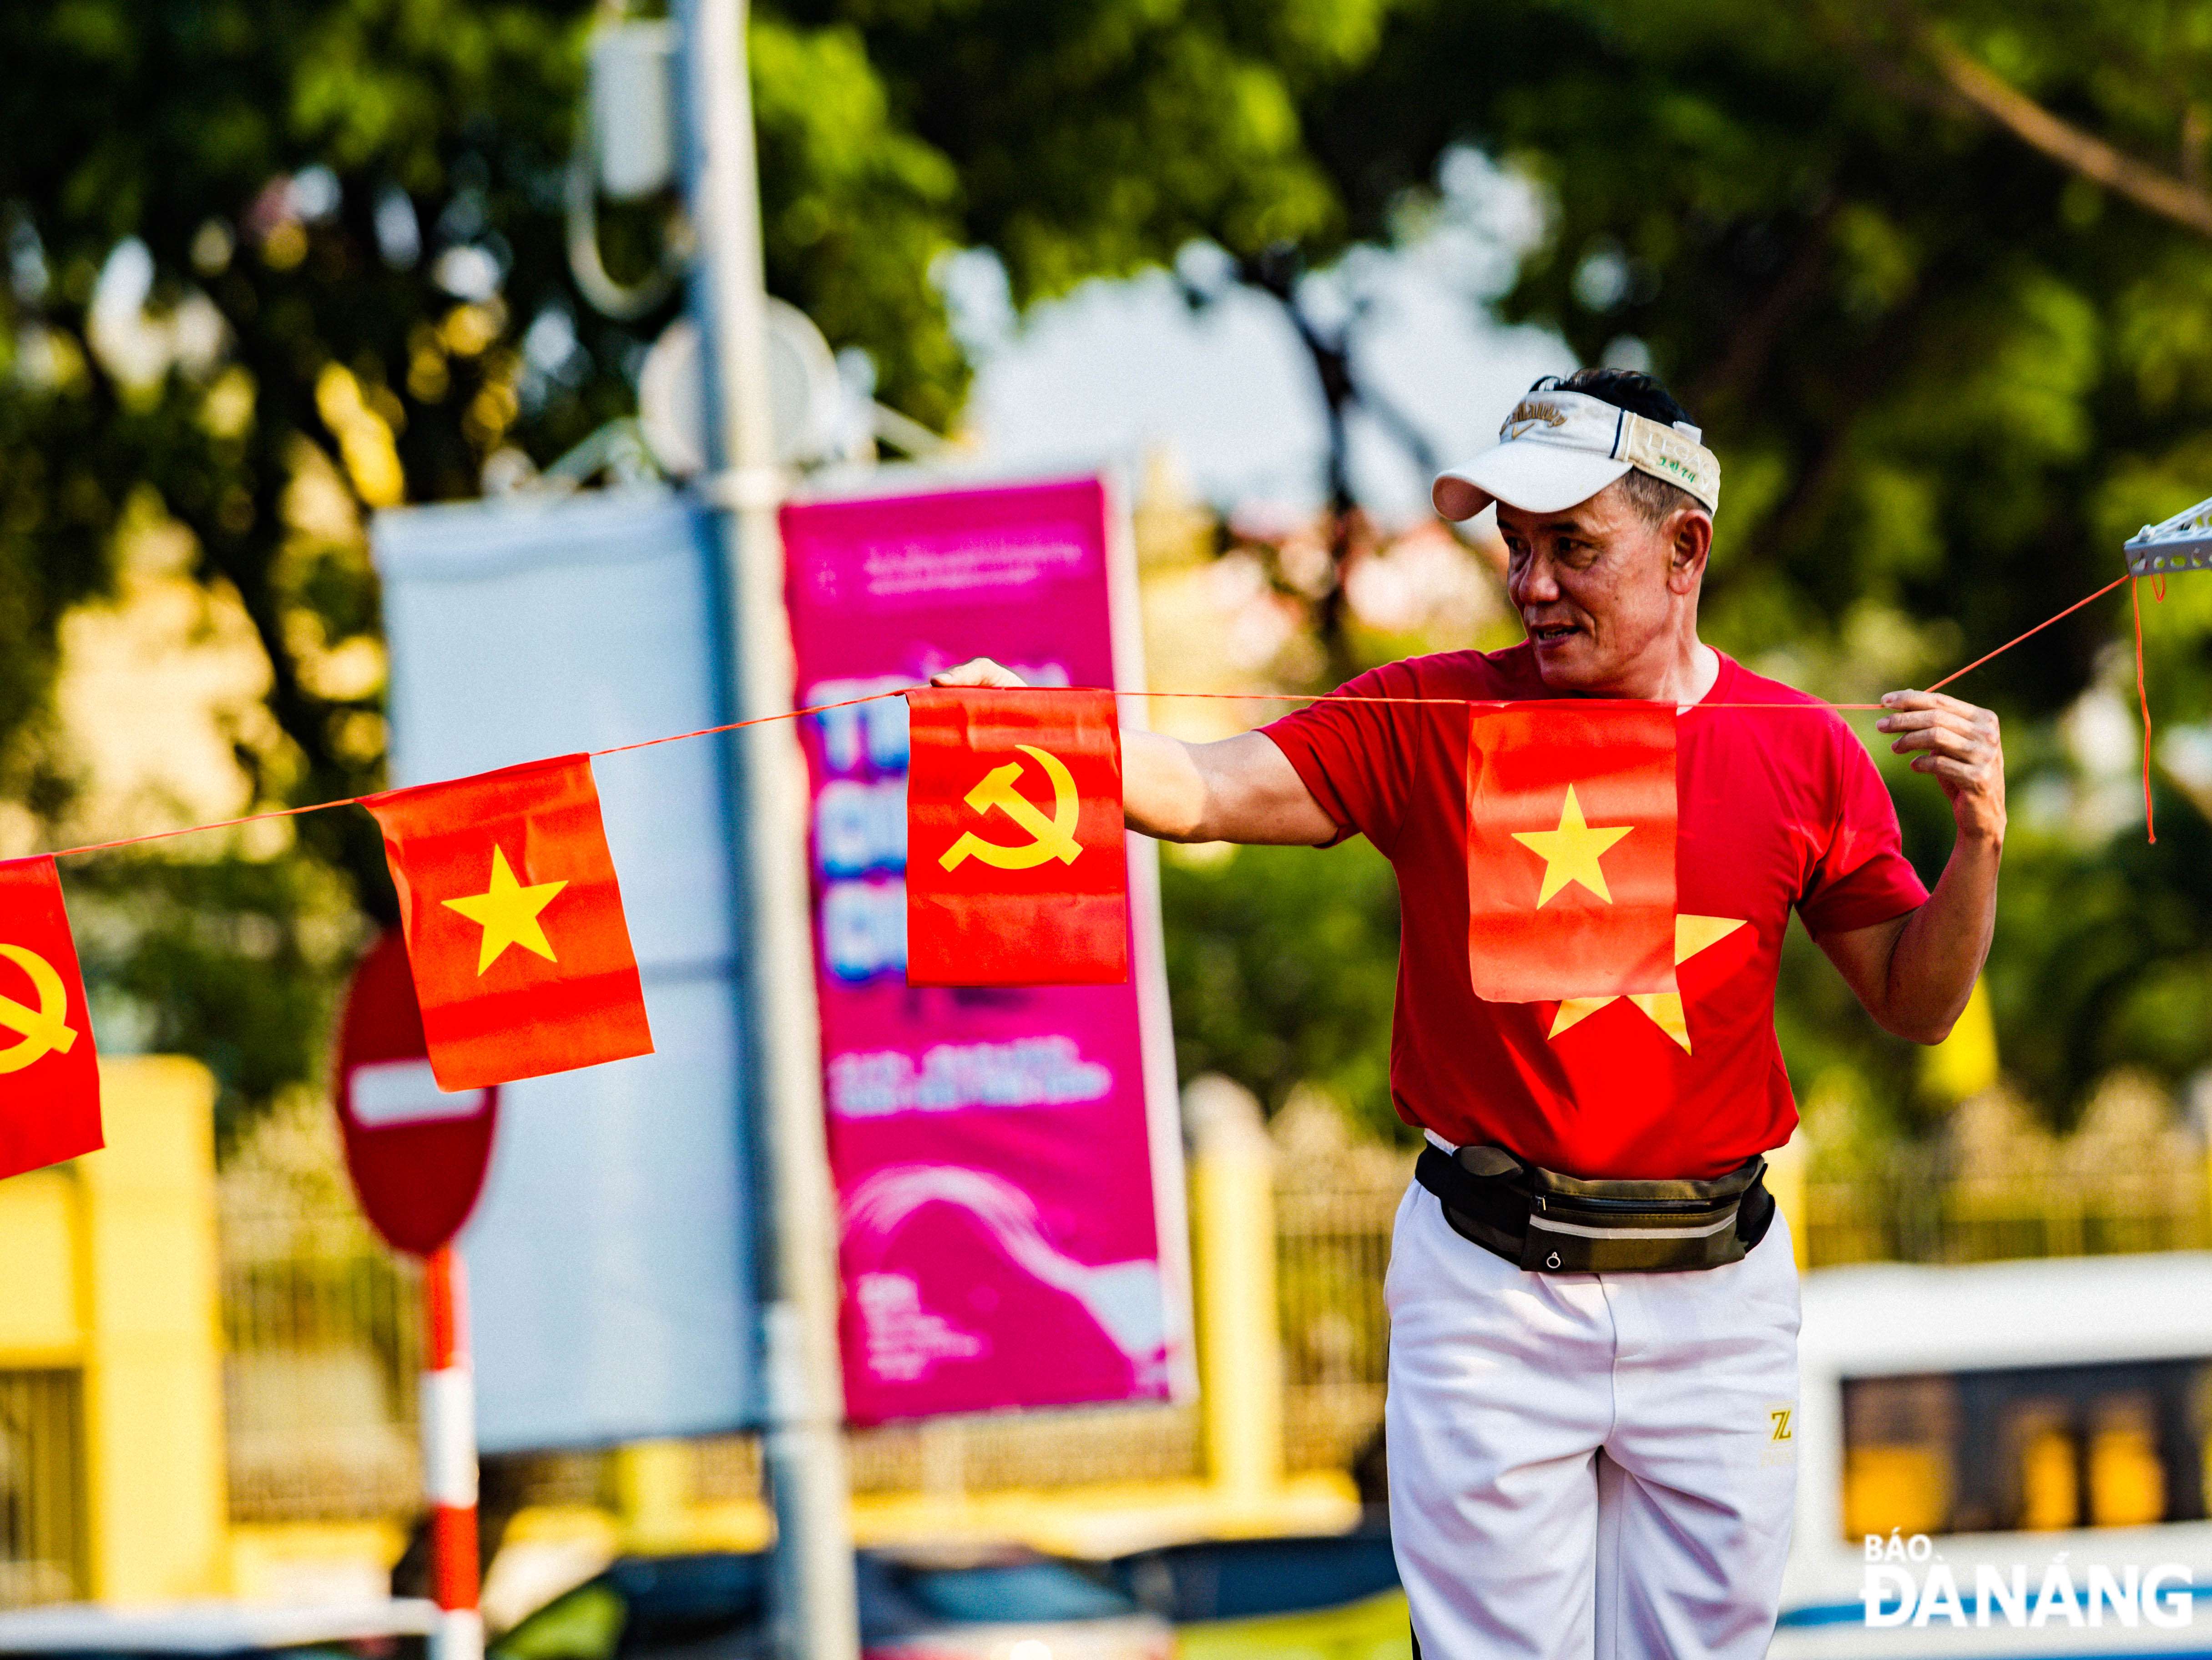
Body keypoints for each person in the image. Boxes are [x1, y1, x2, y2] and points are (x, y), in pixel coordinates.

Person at [933, 366, 2004, 1659]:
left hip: (1719, 1294)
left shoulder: (1803, 747)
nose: (1532, 580)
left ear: (1684, 549)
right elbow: (1203, 789)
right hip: (1493, 1287)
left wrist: (1980, 843)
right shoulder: (1428, 712)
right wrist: (1043, 731)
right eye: (1516, 544)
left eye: (1573, 546)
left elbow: (1919, 1004)